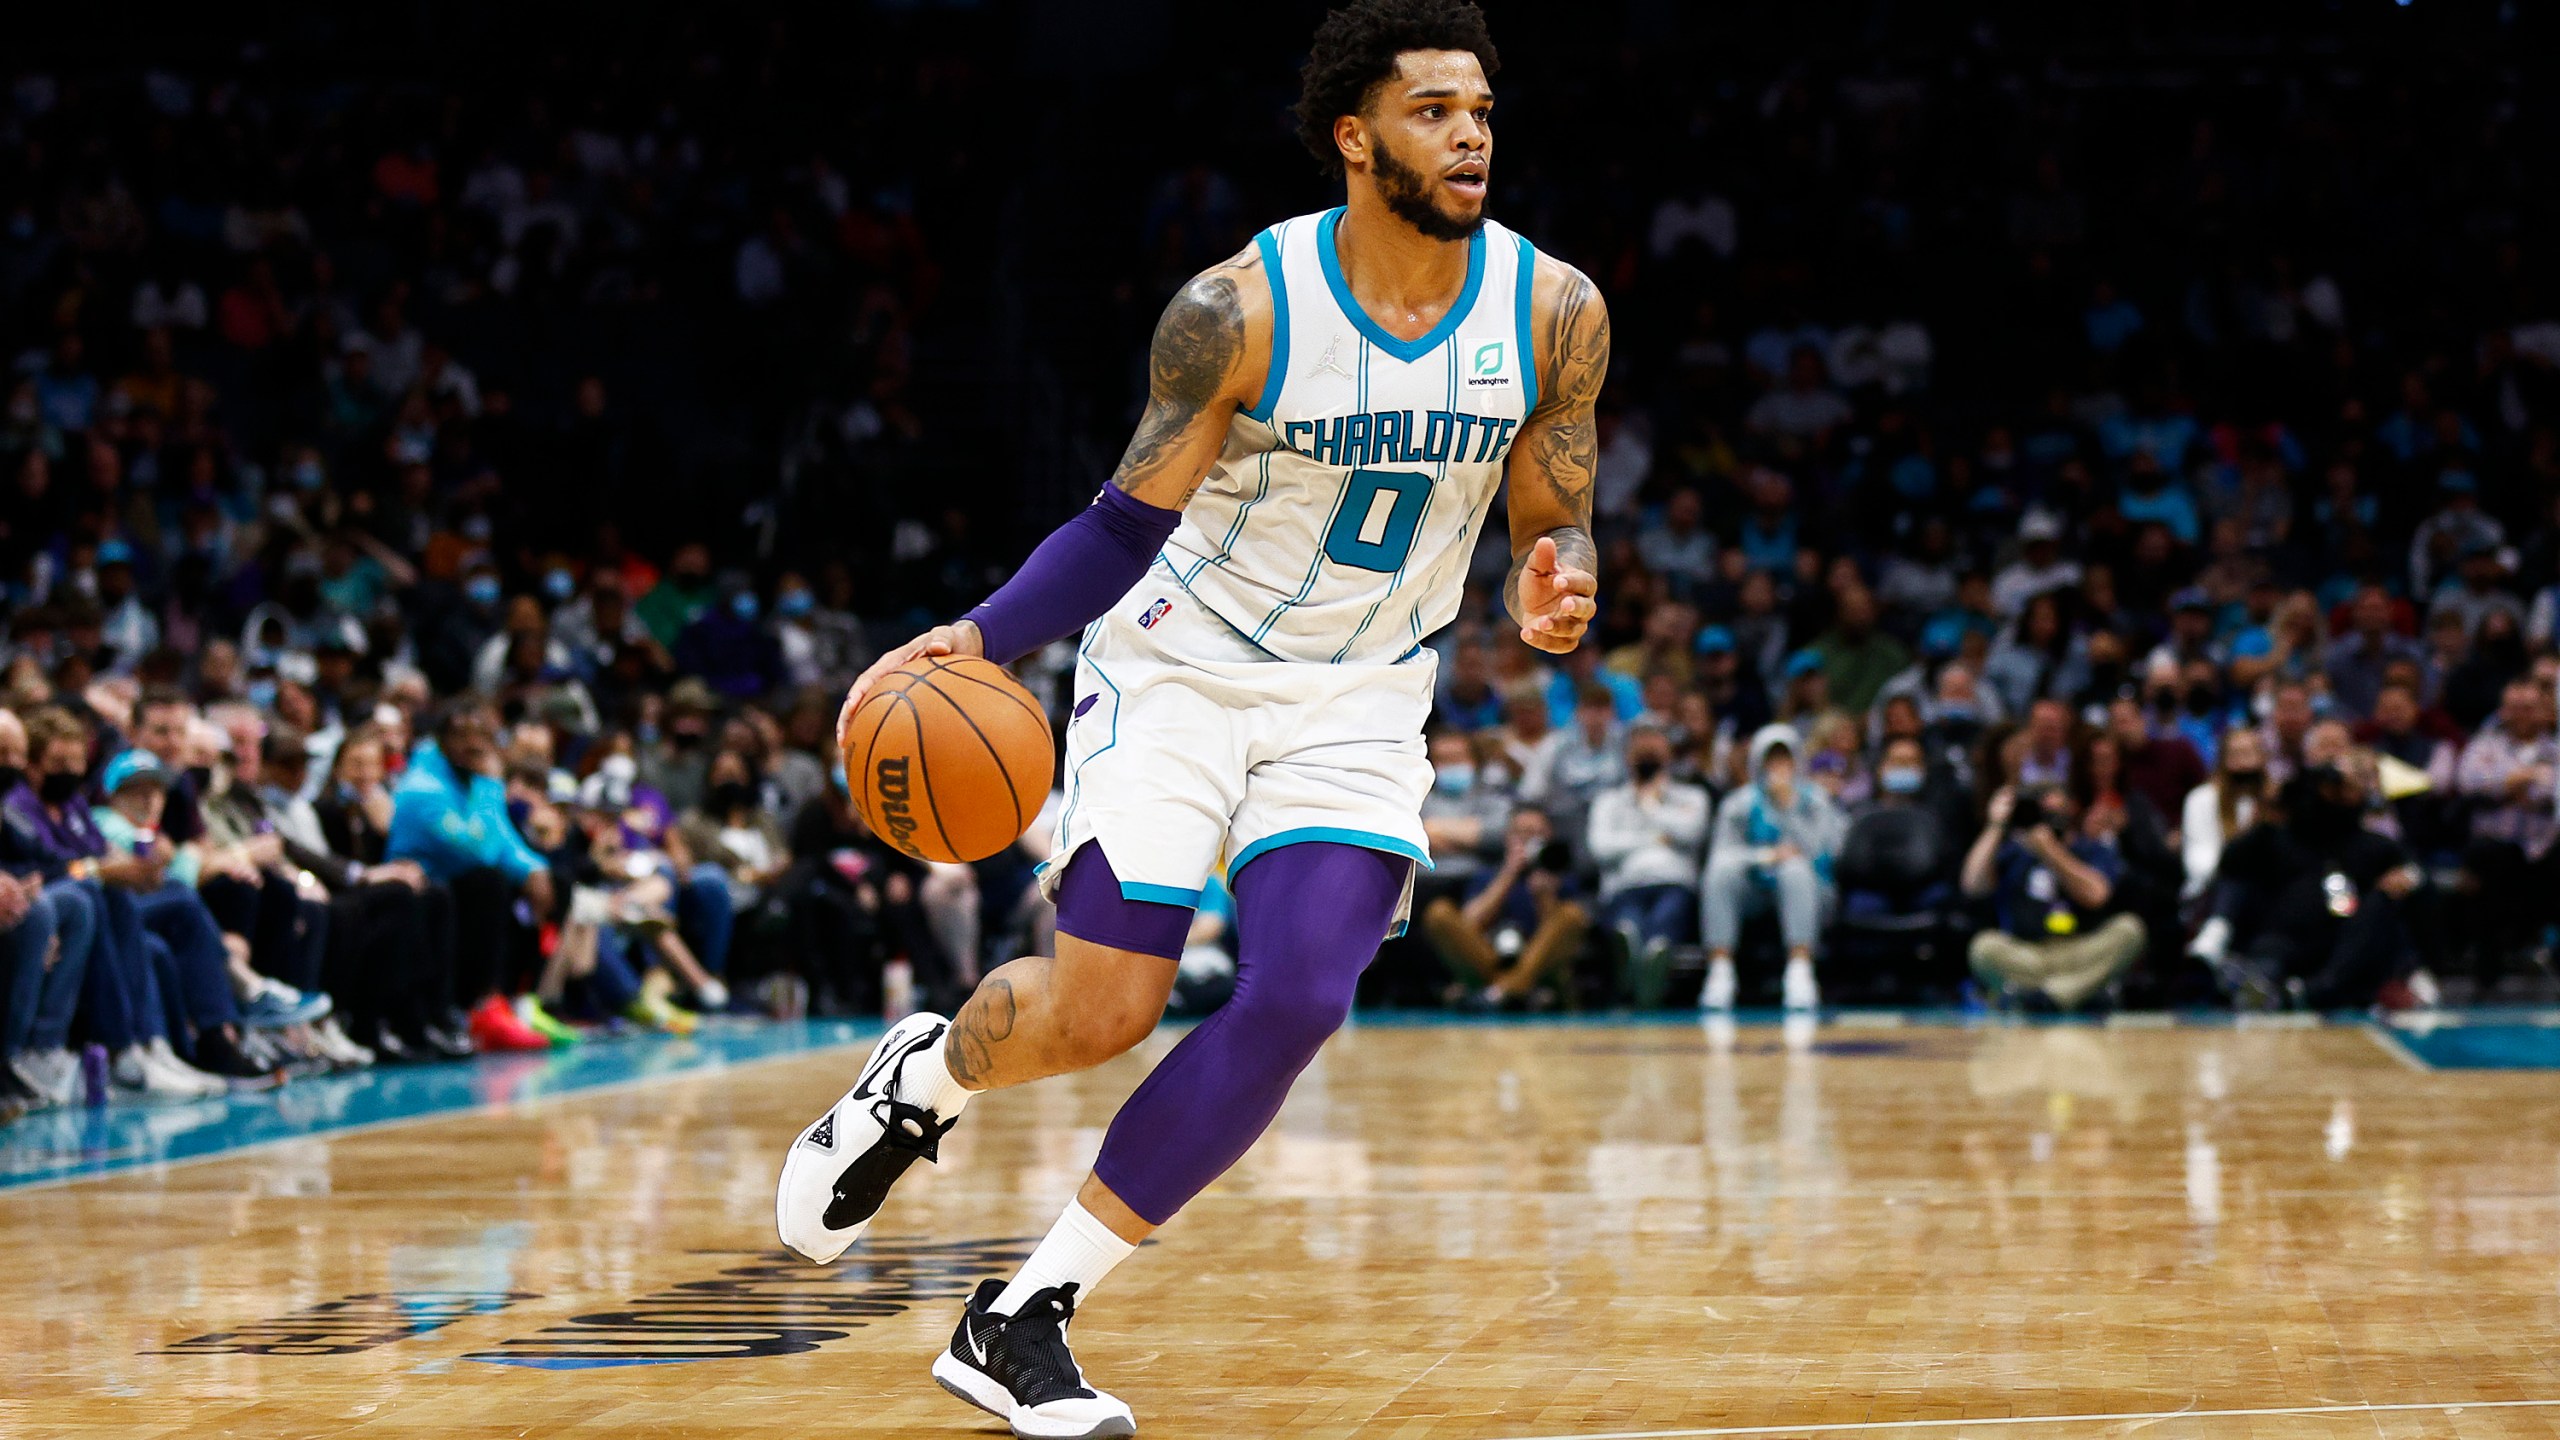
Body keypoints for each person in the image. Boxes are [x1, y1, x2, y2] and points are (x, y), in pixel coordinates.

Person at [772, 6, 1610, 1432]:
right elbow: (1118, 529)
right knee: (1105, 1013)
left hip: (1357, 700)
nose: (1470, 134)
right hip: (1176, 674)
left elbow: (1553, 507)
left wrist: (1560, 574)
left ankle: (1022, 1314)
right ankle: (924, 1075)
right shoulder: (1240, 309)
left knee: (1296, 997)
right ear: (1355, 137)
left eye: (1479, 109)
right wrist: (972, 637)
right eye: (1430, 111)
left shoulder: (1554, 313)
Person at [1961, 783, 2146, 1010]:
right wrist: (1996, 825)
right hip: (2028, 955)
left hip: (2079, 951)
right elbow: (1973, 885)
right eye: (2042, 812)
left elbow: (2097, 895)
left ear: (2072, 809)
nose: (2047, 819)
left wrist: (2050, 851)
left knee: (2130, 930)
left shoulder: (2090, 849)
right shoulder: (2017, 852)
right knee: (1983, 947)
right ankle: (2070, 994)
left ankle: (2048, 997)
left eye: (2054, 812)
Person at [1699, 724, 1842, 1011]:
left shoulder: (1816, 801)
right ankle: (1720, 971)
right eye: (1771, 760)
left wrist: (1788, 808)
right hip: (1754, 889)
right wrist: (1766, 856)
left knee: (1795, 869)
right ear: (1759, 764)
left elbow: (1829, 851)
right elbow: (1722, 854)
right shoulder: (1738, 804)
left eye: (1785, 759)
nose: (1779, 767)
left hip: (1809, 890)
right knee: (1720, 873)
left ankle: (1800, 970)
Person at [1417, 805, 1589, 1008]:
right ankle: (1510, 989)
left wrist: (1545, 896)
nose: (1529, 841)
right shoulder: (1487, 874)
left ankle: (1498, 992)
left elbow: (1559, 939)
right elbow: (1469, 923)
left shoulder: (1559, 875)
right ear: (1508, 838)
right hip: (1490, 957)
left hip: (1538, 967)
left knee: (1572, 914)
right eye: (1522, 834)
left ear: (1549, 837)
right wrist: (1508, 875)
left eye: (1537, 834)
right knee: (1439, 913)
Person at [1585, 720, 1708, 966]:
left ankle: (1644, 974)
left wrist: (1652, 804)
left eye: (1654, 752)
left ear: (1669, 755)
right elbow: (1601, 848)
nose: (1647, 758)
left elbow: (1691, 834)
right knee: (1628, 929)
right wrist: (1654, 838)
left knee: (1663, 927)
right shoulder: (1608, 801)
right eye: (1641, 751)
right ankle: (1642, 975)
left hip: (1674, 884)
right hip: (1623, 888)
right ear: (1627, 757)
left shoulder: (1692, 796)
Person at [2181, 728, 2268, 903]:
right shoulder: (2202, 799)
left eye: (2249, 753)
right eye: (2236, 755)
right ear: (2223, 761)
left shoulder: (2274, 802)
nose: (2243, 763)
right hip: (2212, 891)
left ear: (2262, 759)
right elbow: (2198, 864)